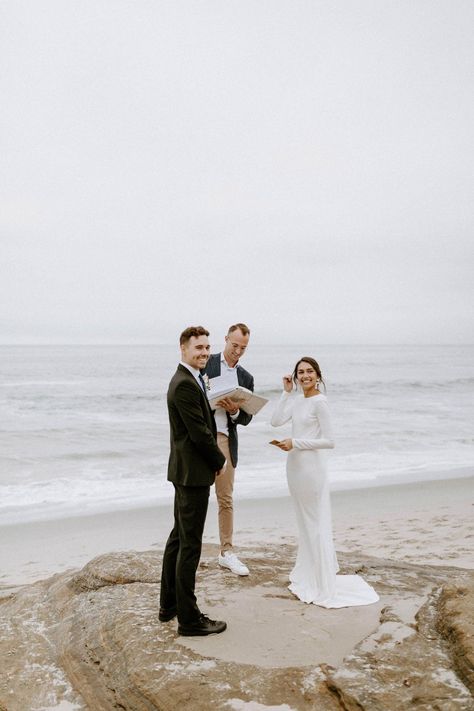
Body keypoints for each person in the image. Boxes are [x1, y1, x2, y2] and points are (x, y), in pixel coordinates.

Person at [271, 357, 379, 608]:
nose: (305, 376)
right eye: (300, 372)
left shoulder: (320, 402)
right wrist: (285, 394)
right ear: (296, 377)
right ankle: (309, 574)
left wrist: (295, 442)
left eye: (310, 372)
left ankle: (321, 582)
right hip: (294, 467)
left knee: (315, 523)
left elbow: (330, 441)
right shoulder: (298, 400)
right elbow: (276, 421)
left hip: (311, 468)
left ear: (318, 375)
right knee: (304, 522)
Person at [159, 326, 227, 636]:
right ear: (183, 349)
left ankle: (169, 604)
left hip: (185, 472)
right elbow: (199, 431)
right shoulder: (184, 384)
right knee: (190, 546)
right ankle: (189, 619)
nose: (204, 352)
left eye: (207, 347)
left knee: (178, 538)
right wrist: (219, 461)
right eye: (198, 347)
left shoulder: (189, 379)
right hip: (193, 474)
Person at [202, 323, 254, 576]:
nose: (238, 351)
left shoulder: (246, 378)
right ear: (225, 339)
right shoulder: (206, 363)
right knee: (196, 496)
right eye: (234, 345)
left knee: (225, 498)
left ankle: (226, 551)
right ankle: (188, 549)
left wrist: (234, 411)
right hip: (201, 438)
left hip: (225, 439)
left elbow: (246, 418)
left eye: (243, 348)